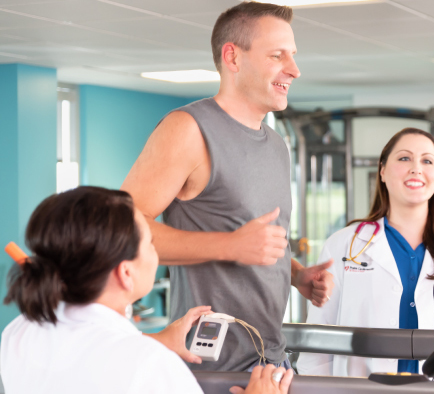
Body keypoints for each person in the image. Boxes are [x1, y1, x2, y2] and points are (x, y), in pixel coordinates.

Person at [120, 1, 333, 372]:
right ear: (233, 57)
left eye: (293, 56)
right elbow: (120, 230)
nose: (294, 70)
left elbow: (250, 235)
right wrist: (231, 246)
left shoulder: (276, 144)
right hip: (212, 369)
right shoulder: (187, 130)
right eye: (277, 55)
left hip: (270, 361)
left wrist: (296, 274)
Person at [0, 187, 293, 394]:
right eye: (149, 244)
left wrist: (154, 341)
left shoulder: (18, 333)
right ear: (125, 273)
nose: (155, 253)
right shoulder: (150, 365)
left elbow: (84, 352)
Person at [296, 128, 434, 383]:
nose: (416, 168)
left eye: (427, 161)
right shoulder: (344, 245)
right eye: (404, 158)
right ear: (382, 171)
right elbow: (317, 345)